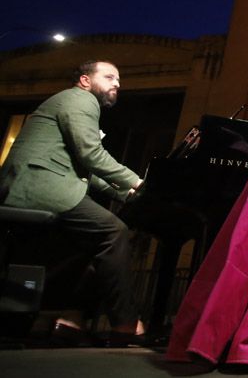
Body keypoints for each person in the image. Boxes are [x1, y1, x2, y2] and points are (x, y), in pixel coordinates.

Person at [0, 60, 145, 342]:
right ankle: (125, 323)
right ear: (84, 81)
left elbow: (84, 170)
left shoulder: (72, 103)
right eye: (109, 76)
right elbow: (91, 155)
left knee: (89, 243)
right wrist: (138, 182)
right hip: (38, 184)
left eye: (119, 79)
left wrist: (123, 193)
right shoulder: (80, 99)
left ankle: (68, 318)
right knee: (113, 231)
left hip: (40, 182)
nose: (117, 83)